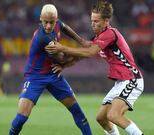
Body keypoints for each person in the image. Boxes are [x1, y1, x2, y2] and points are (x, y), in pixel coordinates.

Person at [45, 1, 144, 135]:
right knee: (101, 118)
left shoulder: (110, 33)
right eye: (92, 21)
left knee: (114, 115)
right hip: (122, 81)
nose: (93, 24)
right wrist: (64, 65)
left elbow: (90, 52)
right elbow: (83, 54)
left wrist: (63, 48)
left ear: (106, 20)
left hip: (132, 79)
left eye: (97, 21)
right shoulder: (99, 37)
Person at [8, 4, 92, 135]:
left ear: (56, 19)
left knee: (77, 110)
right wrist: (83, 53)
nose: (48, 26)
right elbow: (62, 58)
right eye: (45, 22)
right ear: (40, 19)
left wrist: (81, 41)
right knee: (21, 118)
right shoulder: (43, 38)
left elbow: (65, 28)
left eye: (51, 22)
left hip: (53, 74)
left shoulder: (57, 24)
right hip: (35, 77)